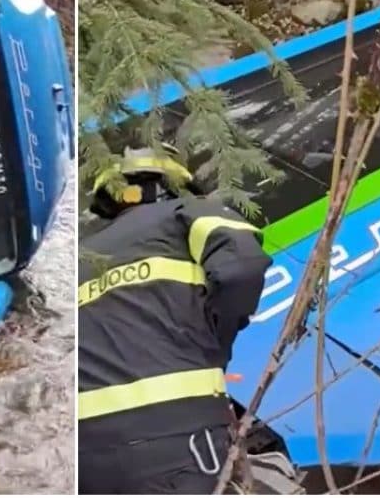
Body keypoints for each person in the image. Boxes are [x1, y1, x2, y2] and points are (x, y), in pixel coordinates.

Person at [78, 146, 272, 494]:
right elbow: (242, 268)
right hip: (180, 439)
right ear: (173, 184)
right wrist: (218, 337)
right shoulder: (187, 213)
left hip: (86, 455)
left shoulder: (83, 255)